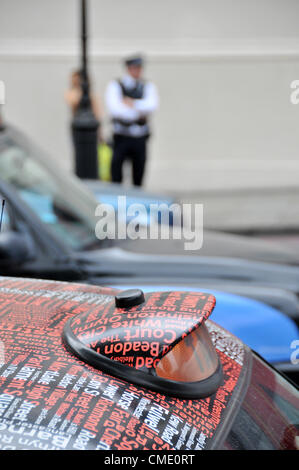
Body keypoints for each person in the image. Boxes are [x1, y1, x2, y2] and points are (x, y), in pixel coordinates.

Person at [105, 55, 159, 186]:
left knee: (139, 173)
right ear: (128, 68)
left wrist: (132, 103)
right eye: (134, 68)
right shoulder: (116, 85)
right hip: (121, 135)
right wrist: (139, 110)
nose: (137, 71)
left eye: (139, 68)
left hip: (139, 135)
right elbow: (115, 109)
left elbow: (152, 105)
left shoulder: (147, 86)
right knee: (116, 173)